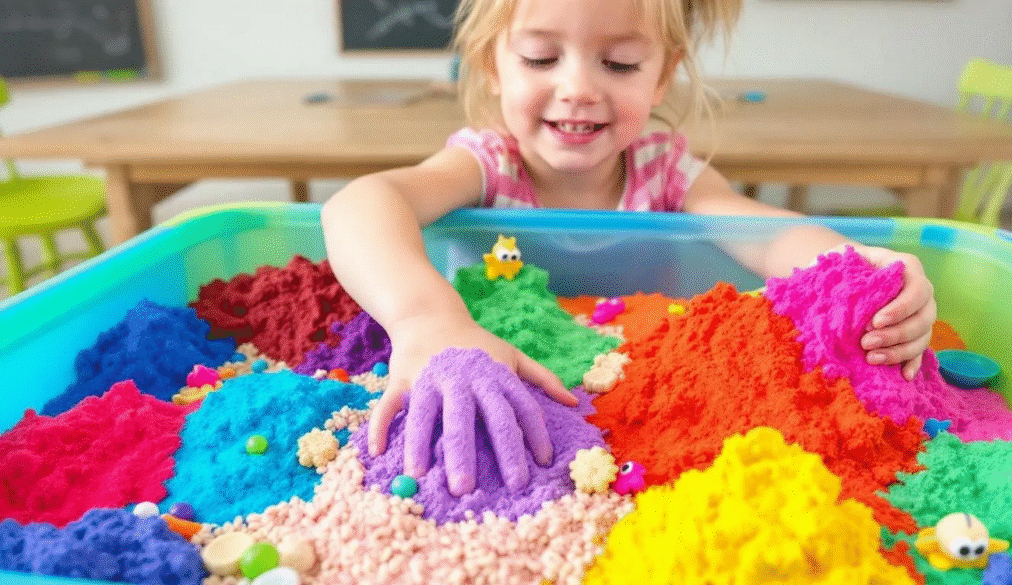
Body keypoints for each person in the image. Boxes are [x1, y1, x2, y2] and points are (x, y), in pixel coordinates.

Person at [320, 0, 937, 496]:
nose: (579, 88)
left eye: (619, 64)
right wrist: (427, 320)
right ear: (492, 64)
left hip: (654, 412)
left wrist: (859, 268)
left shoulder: (665, 173)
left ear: (662, 75)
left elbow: (764, 232)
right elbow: (361, 204)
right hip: (499, 387)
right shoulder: (489, 164)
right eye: (540, 58)